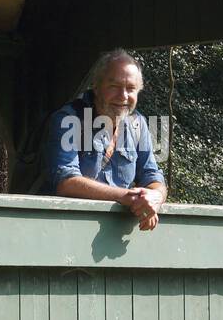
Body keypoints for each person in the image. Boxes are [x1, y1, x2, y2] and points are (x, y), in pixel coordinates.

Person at [41, 49, 167, 231]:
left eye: (131, 88)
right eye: (114, 86)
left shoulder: (138, 124)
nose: (123, 96)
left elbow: (152, 175)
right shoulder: (69, 120)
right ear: (97, 86)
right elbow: (66, 182)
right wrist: (129, 197)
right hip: (62, 230)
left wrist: (155, 198)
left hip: (114, 235)